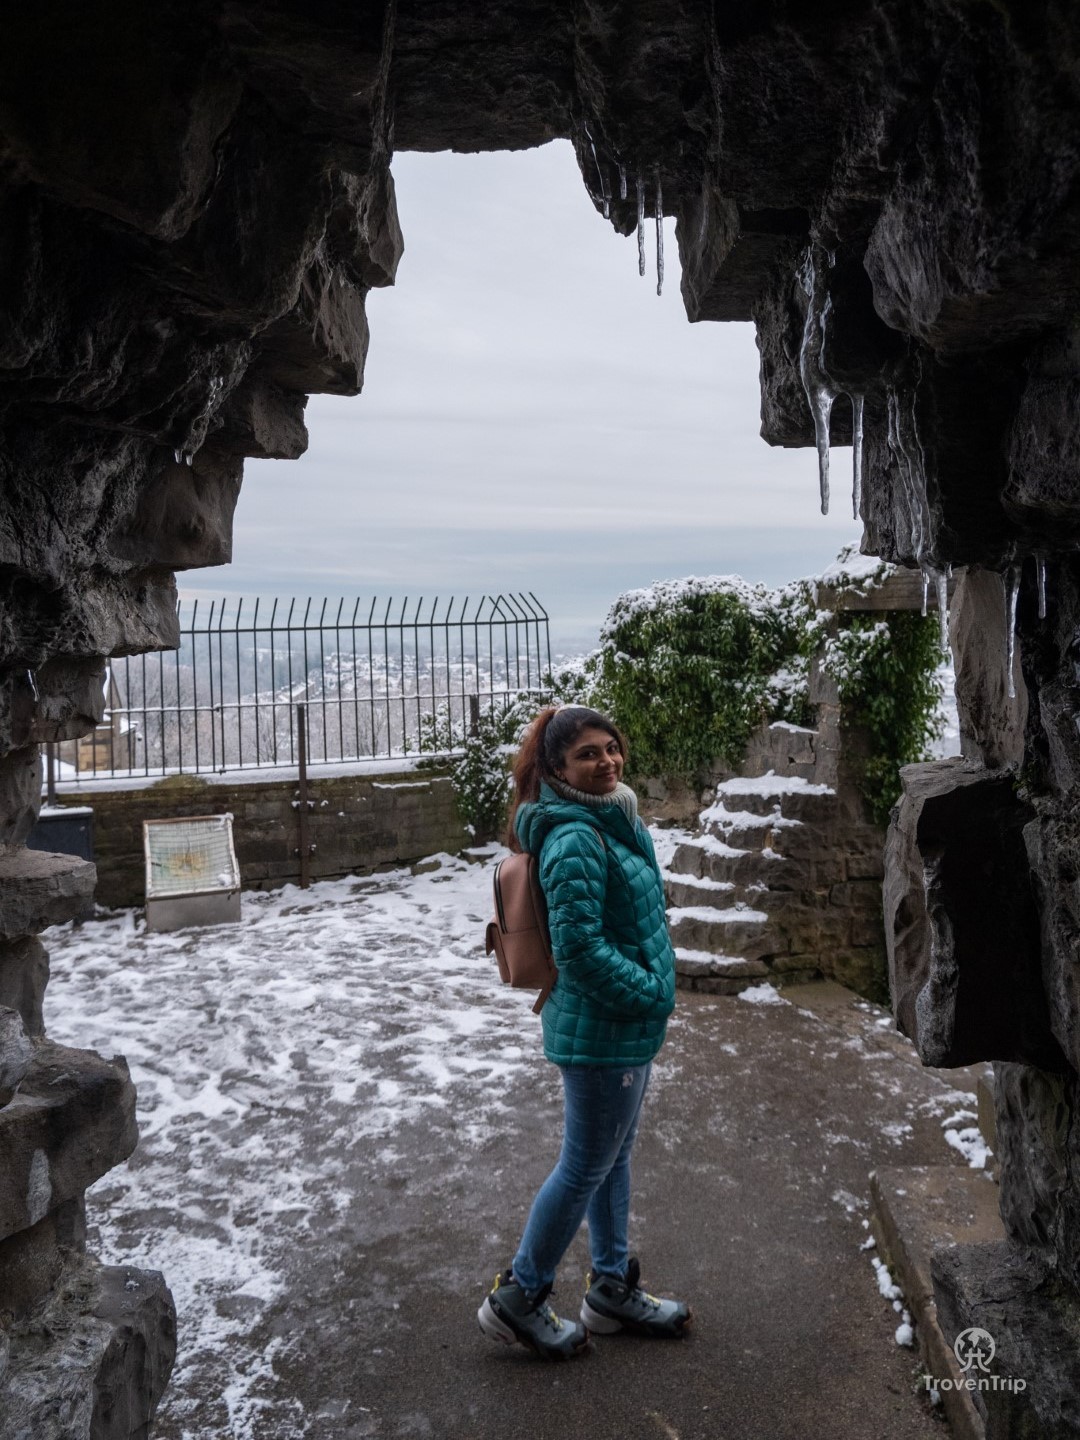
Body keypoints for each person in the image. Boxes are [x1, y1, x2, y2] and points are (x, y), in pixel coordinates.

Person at [477, 704, 690, 1359]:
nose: (607, 761)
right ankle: (518, 1296)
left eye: (611, 747)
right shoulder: (575, 836)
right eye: (588, 754)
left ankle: (610, 1288)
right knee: (583, 1167)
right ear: (557, 769)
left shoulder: (610, 816)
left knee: (610, 1159)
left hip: (620, 1026)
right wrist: (650, 992)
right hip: (604, 1029)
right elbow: (578, 950)